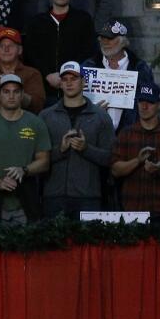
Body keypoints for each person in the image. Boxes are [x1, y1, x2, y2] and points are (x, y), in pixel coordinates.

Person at [0, 73, 50, 230]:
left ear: (22, 95)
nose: (11, 96)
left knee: (28, 250)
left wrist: (24, 170)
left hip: (26, 197)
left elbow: (45, 162)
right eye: (6, 91)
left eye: (16, 91)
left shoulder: (36, 123)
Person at [38, 61, 114, 217]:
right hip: (53, 196)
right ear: (60, 84)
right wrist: (61, 149)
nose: (69, 83)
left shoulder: (101, 117)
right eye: (65, 79)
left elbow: (111, 158)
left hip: (88, 197)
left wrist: (86, 149)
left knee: (88, 242)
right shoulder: (45, 116)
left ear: (84, 82)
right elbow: (35, 157)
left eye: (74, 78)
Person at [111, 84, 160, 226]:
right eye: (141, 101)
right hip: (132, 210)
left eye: (150, 102)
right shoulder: (126, 134)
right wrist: (138, 161)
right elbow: (115, 170)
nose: (144, 106)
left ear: (159, 105)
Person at [22, 0, 97, 104]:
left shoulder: (83, 20)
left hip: (75, 88)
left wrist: (68, 75)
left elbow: (90, 51)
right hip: (43, 88)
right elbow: (30, 54)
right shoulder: (36, 22)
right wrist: (47, 74)